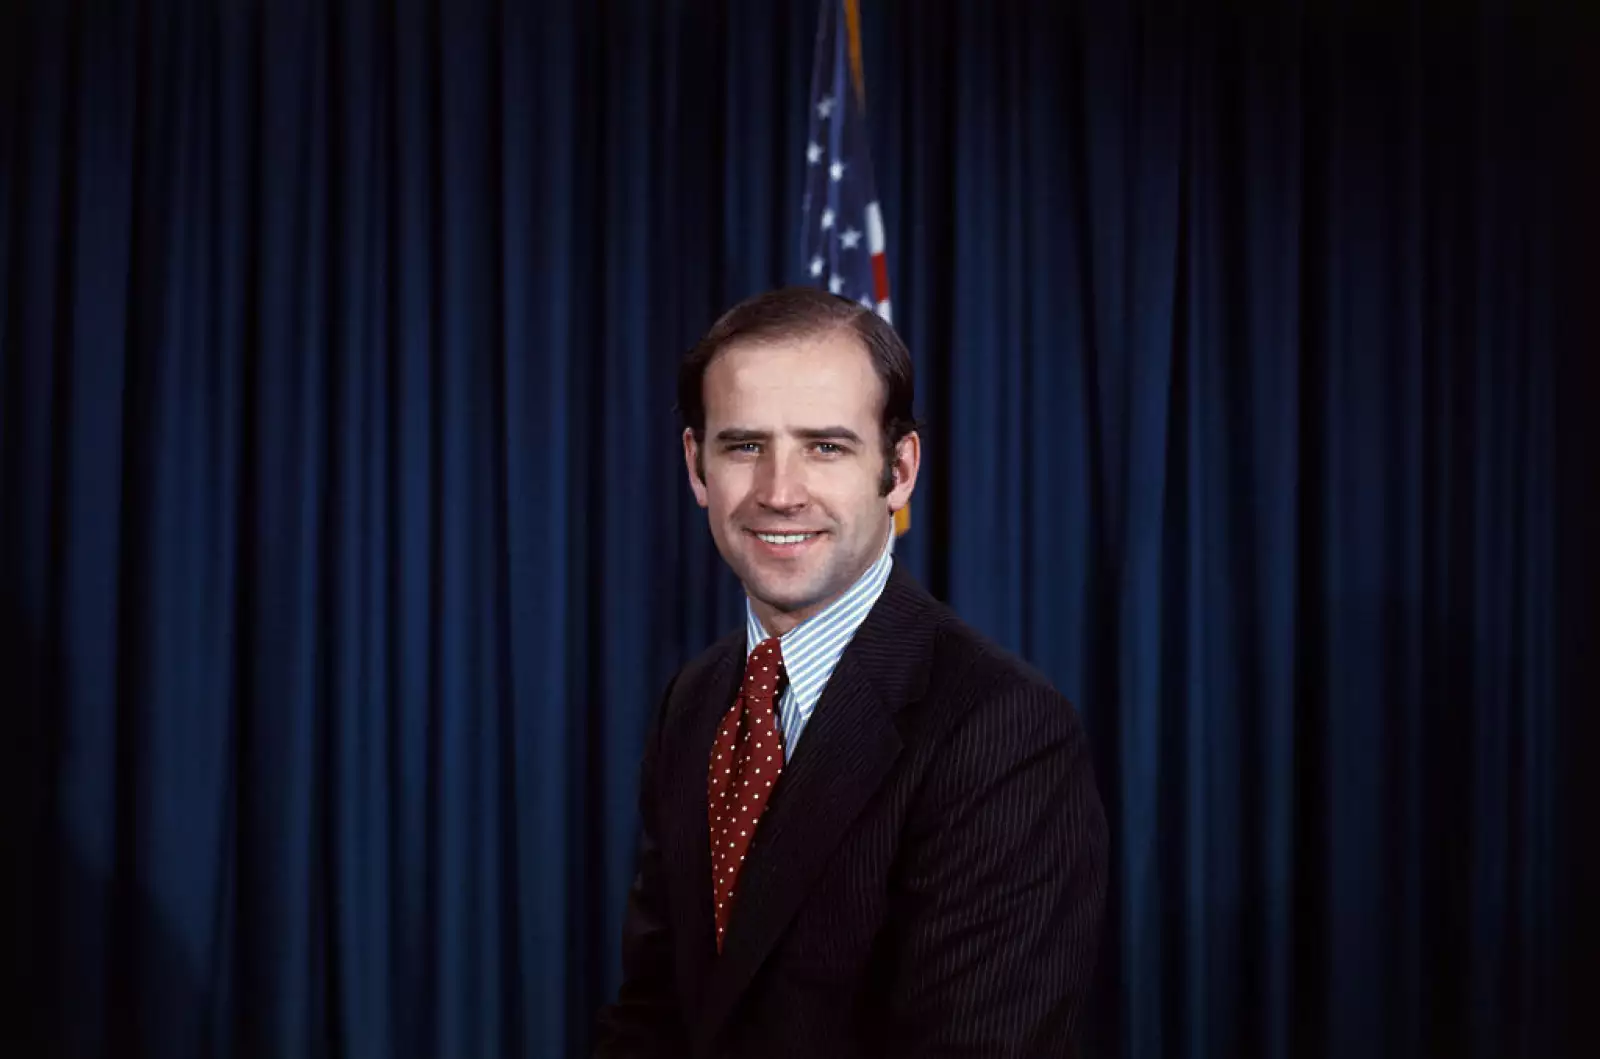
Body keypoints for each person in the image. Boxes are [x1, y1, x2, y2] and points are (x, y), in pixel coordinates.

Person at [593, 287, 1108, 1058]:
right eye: (744, 446)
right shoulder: (695, 701)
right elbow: (655, 1014)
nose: (778, 491)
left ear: (898, 470)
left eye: (825, 446)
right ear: (697, 466)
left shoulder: (1002, 731)